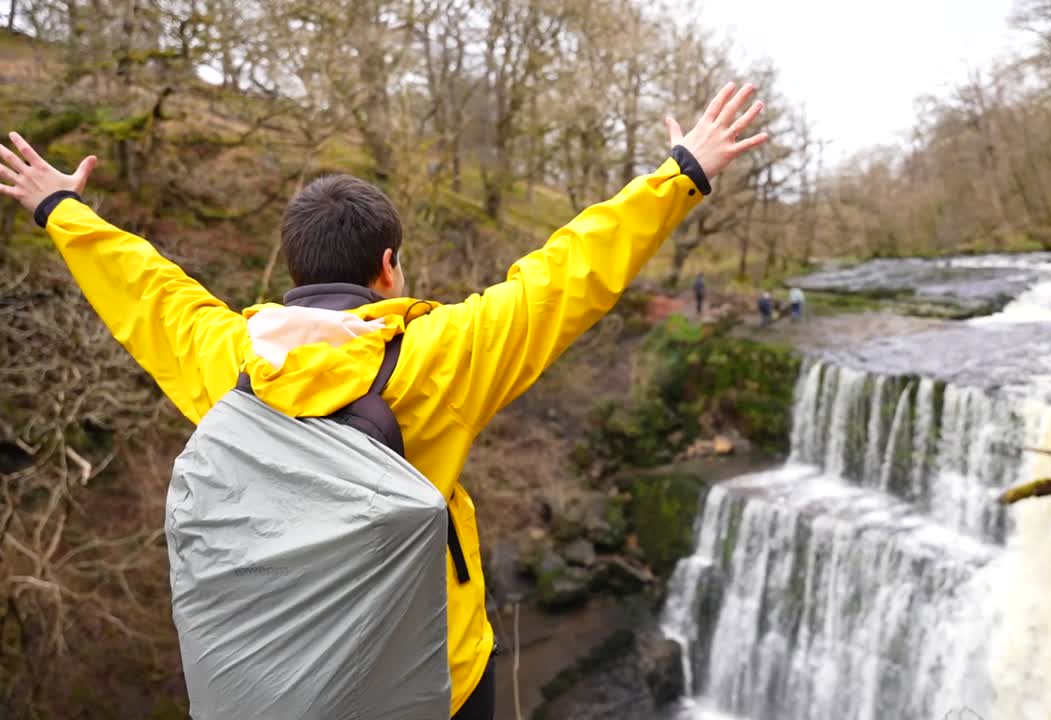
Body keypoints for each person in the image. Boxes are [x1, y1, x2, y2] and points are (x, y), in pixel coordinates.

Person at [0, 81, 769, 719]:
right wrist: (683, 170)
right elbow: (567, 276)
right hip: (439, 682)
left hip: (291, 679)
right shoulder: (441, 357)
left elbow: (147, 291)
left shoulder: (228, 362)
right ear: (390, 268)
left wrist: (59, 210)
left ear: (293, 271)